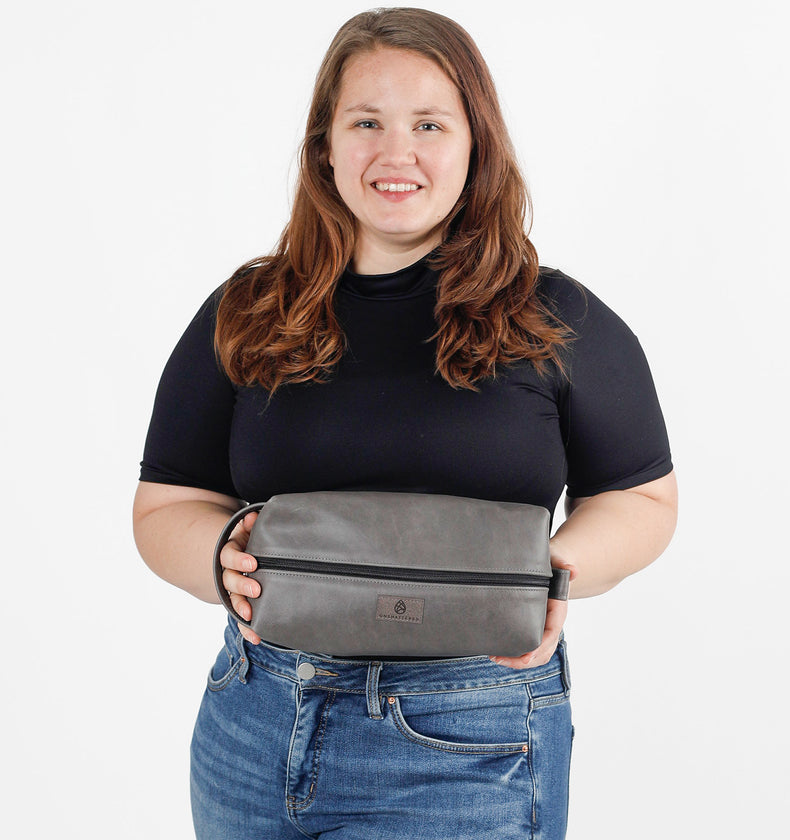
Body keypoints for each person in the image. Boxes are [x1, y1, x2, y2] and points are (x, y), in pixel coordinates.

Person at [133, 7, 677, 839]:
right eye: (366, 123)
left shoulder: (556, 318)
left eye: (429, 123)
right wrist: (217, 558)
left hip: (469, 735)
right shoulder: (249, 310)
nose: (397, 154)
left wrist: (552, 570)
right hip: (253, 719)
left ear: (474, 143)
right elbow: (166, 504)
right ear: (324, 146)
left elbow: (644, 502)